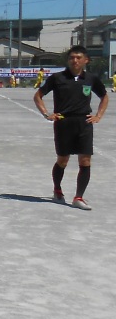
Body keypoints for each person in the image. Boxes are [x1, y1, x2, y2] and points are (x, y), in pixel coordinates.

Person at [33, 46, 108, 210]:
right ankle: (57, 190)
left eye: (78, 57)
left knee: (85, 160)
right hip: (64, 122)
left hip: (84, 123)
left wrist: (98, 115)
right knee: (63, 160)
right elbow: (38, 96)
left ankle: (78, 197)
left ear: (86, 60)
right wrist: (46, 114)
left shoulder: (91, 79)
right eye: (72, 57)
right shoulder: (57, 78)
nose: (75, 60)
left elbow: (104, 96)